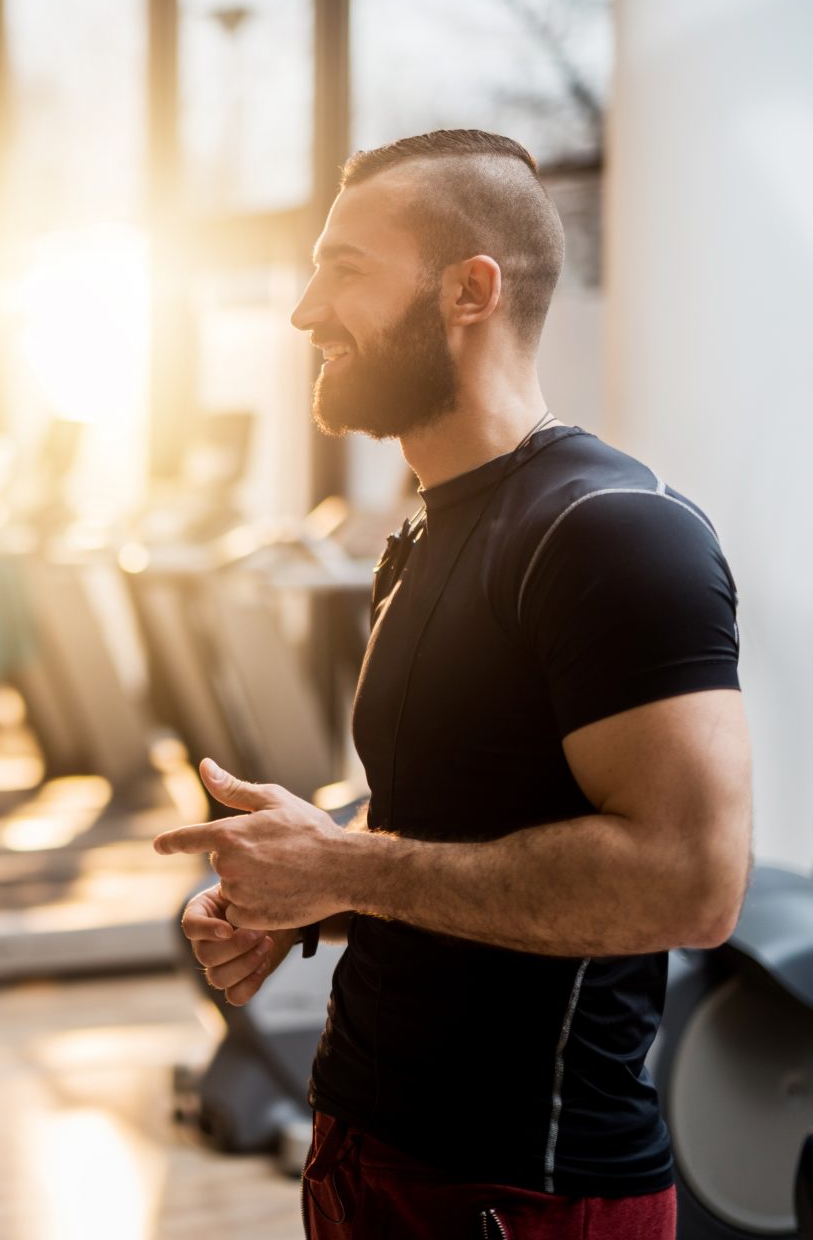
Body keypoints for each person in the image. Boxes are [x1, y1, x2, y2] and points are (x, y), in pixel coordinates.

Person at [158, 129, 749, 1239]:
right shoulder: (427, 528)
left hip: (527, 1189)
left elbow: (691, 878)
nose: (303, 311)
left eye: (345, 269)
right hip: (366, 1146)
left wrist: (351, 866)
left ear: (470, 290)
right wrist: (310, 877)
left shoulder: (612, 532)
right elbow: (453, 814)